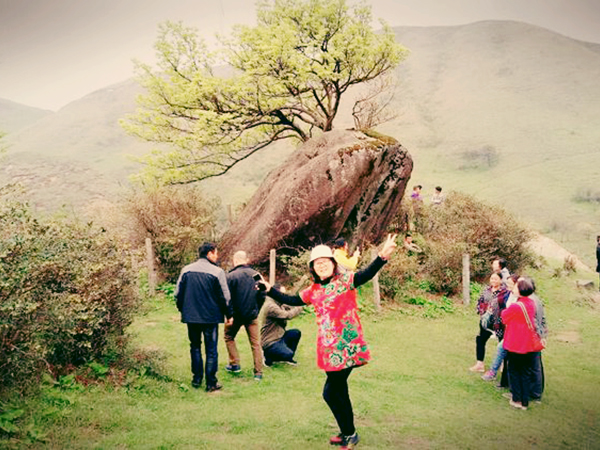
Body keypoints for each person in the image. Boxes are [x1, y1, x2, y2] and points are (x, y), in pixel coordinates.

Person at [257, 235, 398, 450]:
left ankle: (349, 433)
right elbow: (293, 299)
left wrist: (381, 257)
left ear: (333, 264)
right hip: (329, 348)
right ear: (313, 268)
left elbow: (366, 274)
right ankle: (348, 433)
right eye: (317, 264)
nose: (321, 266)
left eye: (325, 262)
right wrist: (270, 290)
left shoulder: (345, 281)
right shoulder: (314, 291)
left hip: (347, 346)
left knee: (331, 392)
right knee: (339, 391)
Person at [175, 242, 232, 392]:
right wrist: (229, 314)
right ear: (209, 254)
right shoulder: (217, 272)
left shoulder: (186, 270)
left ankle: (196, 379)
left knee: (195, 347)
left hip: (191, 316)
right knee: (211, 349)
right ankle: (211, 383)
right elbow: (225, 297)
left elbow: (177, 294)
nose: (217, 256)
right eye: (215, 253)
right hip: (211, 318)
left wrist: (183, 310)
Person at [224, 251, 266, 381]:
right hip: (252, 315)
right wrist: (256, 310)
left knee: (228, 336)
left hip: (236, 315)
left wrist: (229, 315)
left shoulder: (231, 276)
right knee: (255, 344)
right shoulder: (256, 275)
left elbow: (227, 298)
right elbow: (262, 295)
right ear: (246, 260)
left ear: (235, 260)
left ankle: (235, 364)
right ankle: (258, 373)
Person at [501, 277, 542, 410]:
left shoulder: (516, 306)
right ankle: (524, 400)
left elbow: (504, 317)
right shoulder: (530, 303)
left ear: (520, 290)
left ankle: (516, 398)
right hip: (527, 343)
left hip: (515, 342)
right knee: (524, 372)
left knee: (514, 370)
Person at [482, 274, 519, 384]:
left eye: (511, 284)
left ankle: (493, 372)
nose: (508, 286)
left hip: (515, 330)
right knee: (502, 348)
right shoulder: (509, 293)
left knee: (501, 347)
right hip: (507, 327)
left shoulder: (519, 297)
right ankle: (499, 373)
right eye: (507, 283)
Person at [469, 272, 509, 373]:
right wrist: (482, 312)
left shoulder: (505, 292)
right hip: (486, 321)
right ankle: (479, 364)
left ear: (500, 280)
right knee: (480, 340)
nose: (493, 281)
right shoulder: (487, 290)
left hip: (499, 322)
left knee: (502, 342)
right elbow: (480, 301)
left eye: (496, 279)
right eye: (492, 279)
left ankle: (504, 364)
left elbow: (506, 305)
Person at [261, 284, 303, 366]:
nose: (283, 296)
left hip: (280, 336)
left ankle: (288, 358)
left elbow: (289, 305)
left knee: (295, 333)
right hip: (270, 341)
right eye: (282, 293)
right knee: (288, 354)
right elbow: (287, 315)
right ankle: (267, 357)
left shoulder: (278, 302)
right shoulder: (271, 306)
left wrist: (296, 303)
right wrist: (299, 307)